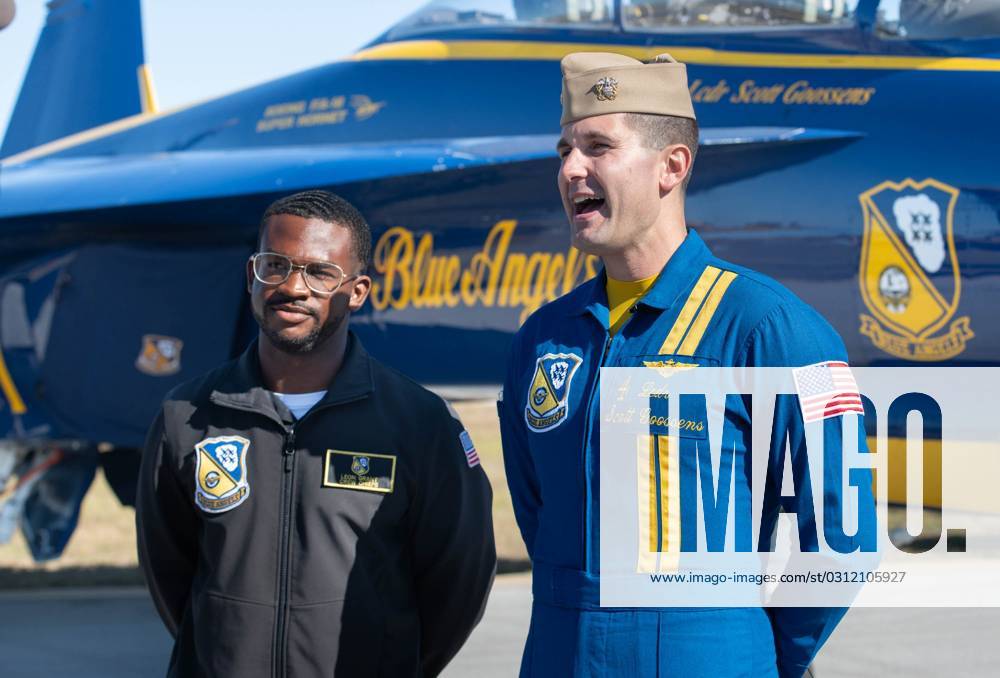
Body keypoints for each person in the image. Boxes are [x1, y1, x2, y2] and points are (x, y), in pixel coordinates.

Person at [498, 52, 867, 677]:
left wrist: (751, 650)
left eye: (597, 146)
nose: (570, 169)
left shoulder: (770, 327)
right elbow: (538, 513)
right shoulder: (544, 338)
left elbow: (840, 532)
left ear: (673, 166)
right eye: (563, 149)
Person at [136, 190, 496, 678]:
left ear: (358, 291)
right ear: (251, 276)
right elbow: (169, 574)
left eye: (321, 272)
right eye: (275, 265)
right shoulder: (186, 415)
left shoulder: (420, 423)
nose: (293, 287)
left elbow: (459, 582)